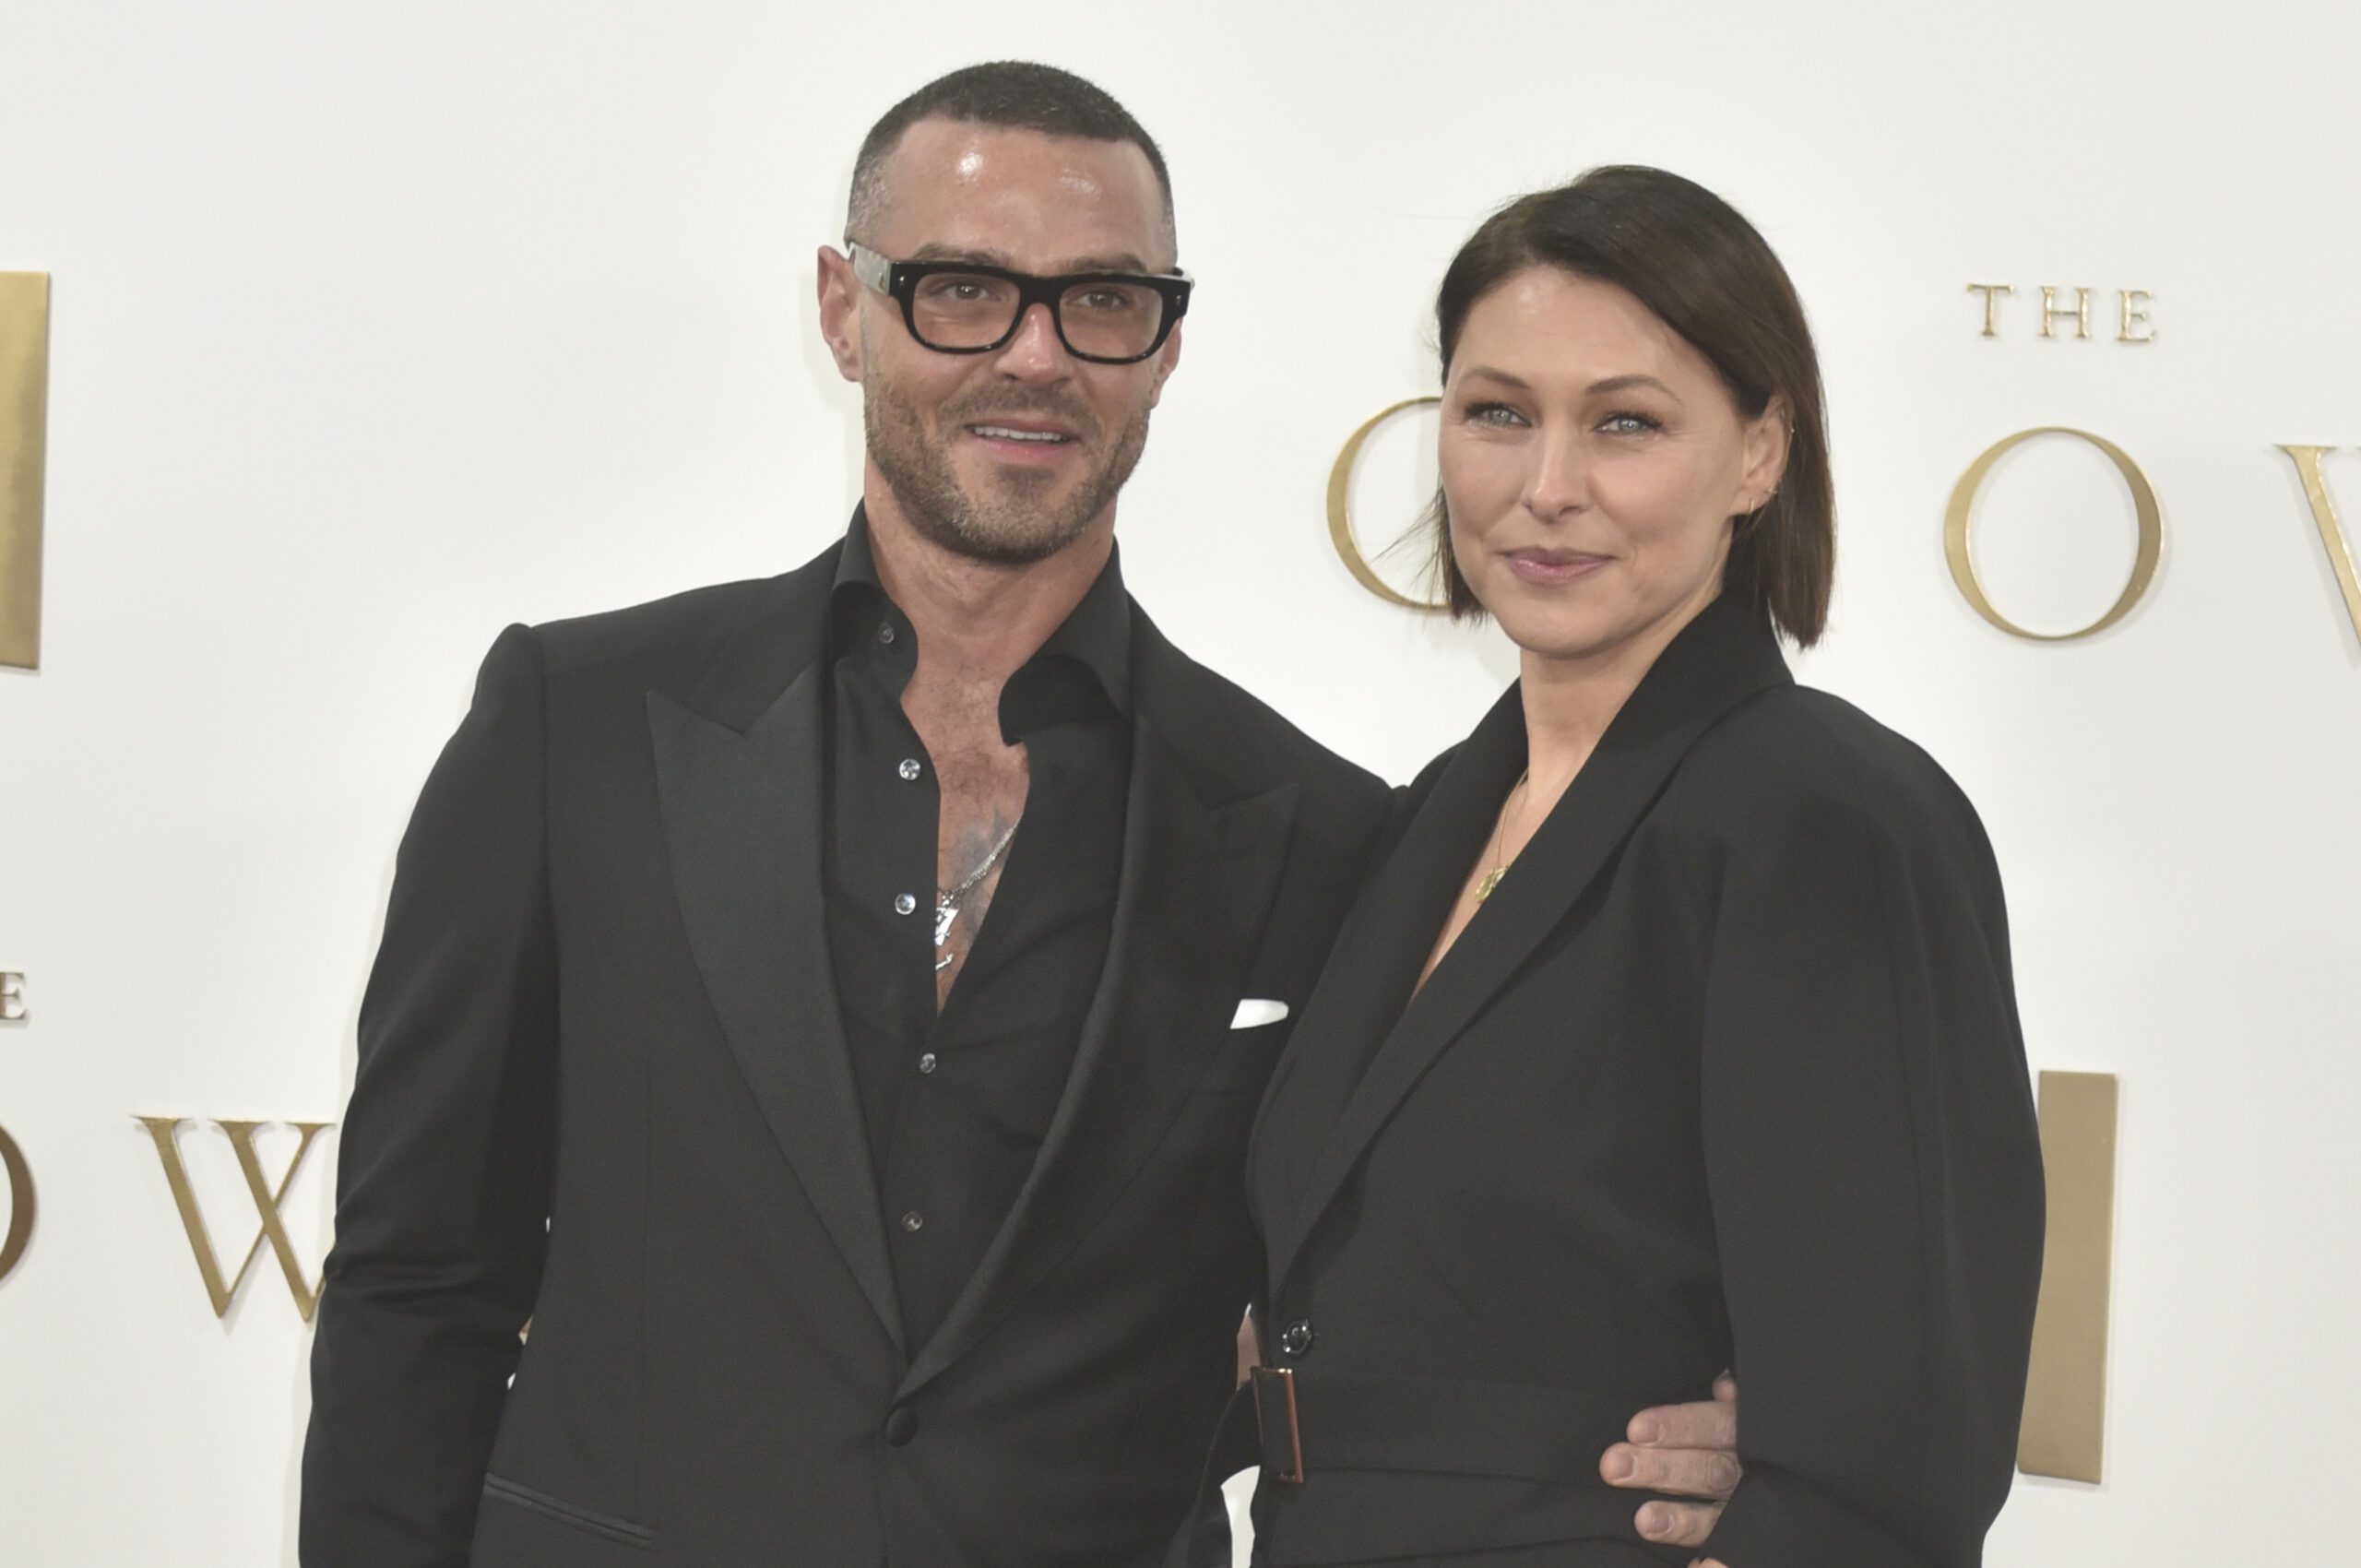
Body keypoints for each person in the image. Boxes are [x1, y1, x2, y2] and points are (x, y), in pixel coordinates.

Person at [298, 68, 1743, 1568]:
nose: (1037, 357)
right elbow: (420, 1285)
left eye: (1103, 302)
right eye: (963, 291)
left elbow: (1418, 1289)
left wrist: (1732, 1427)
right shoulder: (576, 727)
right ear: (843, 309)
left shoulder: (1326, 836)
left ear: (1167, 345)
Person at [1237, 168, 2047, 1566]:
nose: (1549, 488)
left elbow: (1886, 1461)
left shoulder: (1826, 817)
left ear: (1759, 453)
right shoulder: (1436, 816)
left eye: (1625, 423)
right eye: (1499, 413)